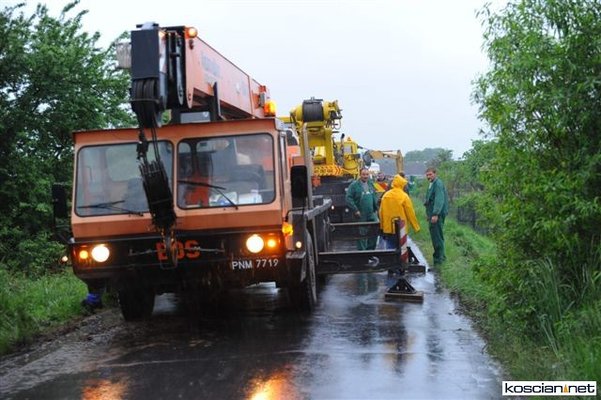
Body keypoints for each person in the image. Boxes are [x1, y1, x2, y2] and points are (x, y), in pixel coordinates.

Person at [378, 174, 420, 249]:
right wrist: (416, 227)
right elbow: (410, 213)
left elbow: (381, 212)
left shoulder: (386, 195)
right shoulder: (404, 196)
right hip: (401, 227)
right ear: (402, 184)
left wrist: (382, 227)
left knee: (390, 247)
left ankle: (391, 256)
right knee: (402, 248)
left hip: (388, 228)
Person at [345, 168, 379, 250]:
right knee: (362, 234)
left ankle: (370, 251)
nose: (365, 176)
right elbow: (348, 198)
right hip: (360, 214)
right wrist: (355, 210)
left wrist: (376, 208)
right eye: (363, 174)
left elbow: (374, 196)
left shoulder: (370, 184)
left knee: (375, 229)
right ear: (360, 175)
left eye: (367, 174)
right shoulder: (354, 185)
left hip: (371, 213)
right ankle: (363, 253)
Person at [424, 167, 449, 266]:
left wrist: (435, 214)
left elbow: (439, 200)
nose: (428, 177)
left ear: (435, 174)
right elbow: (430, 200)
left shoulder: (437, 184)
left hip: (437, 215)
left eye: (430, 174)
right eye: (427, 175)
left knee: (437, 237)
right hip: (432, 214)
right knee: (435, 236)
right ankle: (440, 258)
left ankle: (439, 261)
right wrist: (428, 214)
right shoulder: (432, 184)